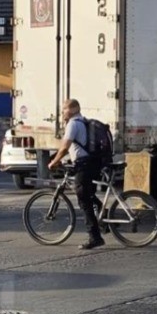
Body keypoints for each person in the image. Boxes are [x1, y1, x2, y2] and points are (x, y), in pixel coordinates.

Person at [48, 99, 104, 250]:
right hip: (91, 163)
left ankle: (95, 237)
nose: (62, 112)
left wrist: (54, 162)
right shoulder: (83, 122)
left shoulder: (73, 124)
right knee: (88, 194)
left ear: (73, 110)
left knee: (83, 200)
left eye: (64, 109)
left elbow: (65, 147)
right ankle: (104, 217)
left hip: (84, 165)